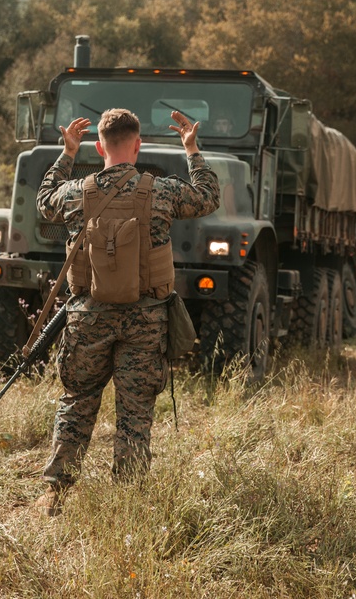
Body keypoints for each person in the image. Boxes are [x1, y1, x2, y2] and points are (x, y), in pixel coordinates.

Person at [34, 108, 220, 516]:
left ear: (98, 146)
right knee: (135, 410)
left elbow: (44, 201)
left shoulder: (74, 193)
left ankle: (56, 493)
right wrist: (192, 150)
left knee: (78, 400)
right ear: (138, 146)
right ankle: (129, 498)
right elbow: (208, 198)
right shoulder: (162, 191)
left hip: (88, 317)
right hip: (146, 318)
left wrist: (67, 153)